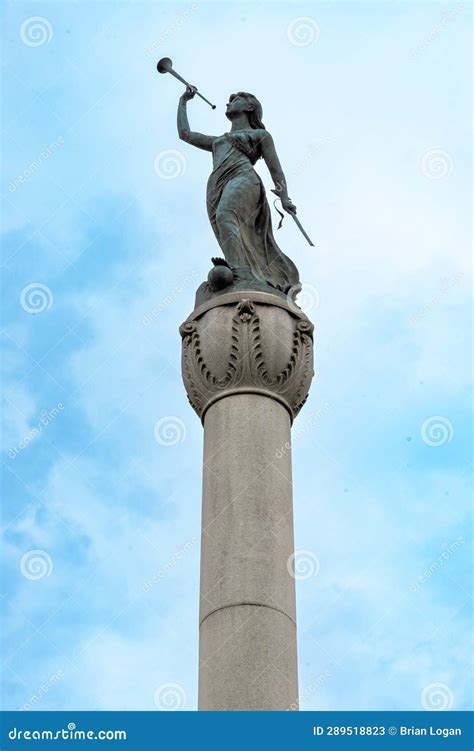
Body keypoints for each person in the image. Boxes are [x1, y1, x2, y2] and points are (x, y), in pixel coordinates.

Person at [177, 86, 300, 292]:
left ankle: (240, 273)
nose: (229, 102)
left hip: (244, 177)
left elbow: (276, 170)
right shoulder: (218, 141)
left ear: (250, 107)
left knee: (225, 215)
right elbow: (185, 134)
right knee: (223, 223)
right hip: (217, 184)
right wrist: (183, 101)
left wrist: (285, 197)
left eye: (236, 99)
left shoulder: (261, 135)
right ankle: (240, 268)